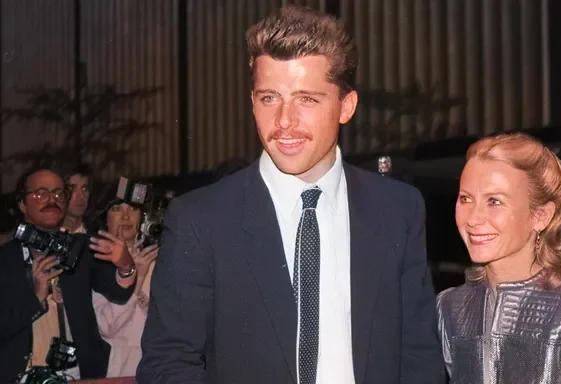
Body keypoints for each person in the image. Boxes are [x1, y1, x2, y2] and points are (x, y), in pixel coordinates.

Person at [137, 5, 444, 384]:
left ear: (346, 106)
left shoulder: (397, 209)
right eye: (269, 98)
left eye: (307, 99)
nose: (284, 121)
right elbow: (168, 363)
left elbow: (419, 355)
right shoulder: (202, 219)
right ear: (252, 102)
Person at [437, 133, 561, 383]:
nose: (473, 218)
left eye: (494, 201)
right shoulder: (450, 307)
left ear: (541, 215)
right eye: (465, 199)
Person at [0, 167, 136, 382]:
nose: (51, 200)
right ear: (22, 203)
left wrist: (126, 265)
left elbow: (119, 292)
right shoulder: (5, 259)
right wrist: (35, 298)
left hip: (78, 375)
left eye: (59, 193)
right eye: (40, 193)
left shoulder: (81, 247)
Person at [92, 191, 159, 377]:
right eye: (116, 209)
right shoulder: (95, 263)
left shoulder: (156, 259)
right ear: (105, 218)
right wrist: (135, 278)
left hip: (156, 364)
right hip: (116, 367)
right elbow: (107, 327)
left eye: (133, 209)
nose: (126, 216)